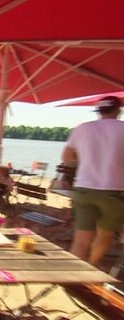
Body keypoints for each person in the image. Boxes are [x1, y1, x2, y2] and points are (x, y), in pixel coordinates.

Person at [62, 95, 124, 266]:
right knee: (104, 235)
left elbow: (66, 157)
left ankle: (75, 276)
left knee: (81, 237)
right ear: (118, 110)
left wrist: (86, 159)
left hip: (84, 188)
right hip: (114, 191)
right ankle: (91, 266)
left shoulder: (83, 129)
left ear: (98, 111)